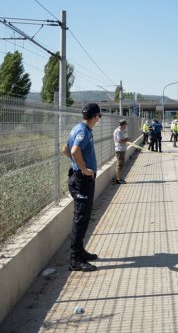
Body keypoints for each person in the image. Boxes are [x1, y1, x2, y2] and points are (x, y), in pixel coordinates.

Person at [63, 103, 101, 272]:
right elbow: (75, 150)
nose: (99, 119)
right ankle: (75, 259)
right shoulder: (84, 132)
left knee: (83, 217)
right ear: (95, 117)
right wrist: (84, 169)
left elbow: (66, 149)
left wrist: (75, 163)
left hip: (79, 178)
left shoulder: (77, 128)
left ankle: (80, 251)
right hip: (81, 180)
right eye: (99, 116)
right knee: (80, 218)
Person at [113, 119, 130, 184]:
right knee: (119, 165)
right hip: (120, 150)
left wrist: (126, 140)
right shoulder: (118, 131)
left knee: (120, 165)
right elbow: (119, 141)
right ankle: (118, 179)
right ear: (123, 124)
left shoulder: (121, 131)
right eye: (125, 125)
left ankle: (119, 178)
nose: (126, 126)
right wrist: (127, 140)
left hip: (122, 149)